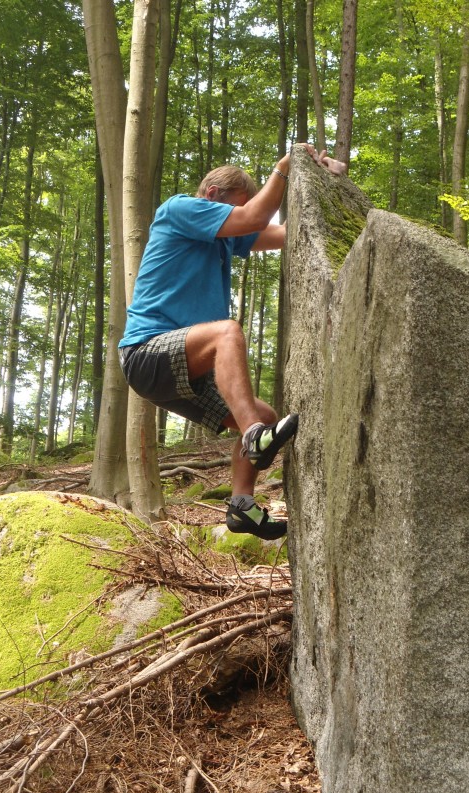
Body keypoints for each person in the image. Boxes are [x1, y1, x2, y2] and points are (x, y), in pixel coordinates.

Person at [118, 144, 345, 539]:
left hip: (185, 372)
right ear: (212, 196)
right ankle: (253, 436)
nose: (234, 219)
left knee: (266, 415)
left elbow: (291, 233)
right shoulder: (179, 210)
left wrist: (329, 183)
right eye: (231, 209)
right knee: (228, 331)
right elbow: (254, 215)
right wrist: (284, 167)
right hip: (147, 352)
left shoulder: (224, 239)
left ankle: (241, 505)